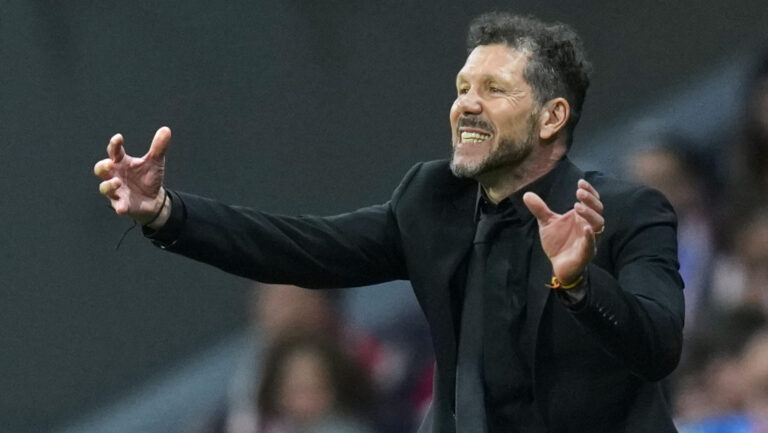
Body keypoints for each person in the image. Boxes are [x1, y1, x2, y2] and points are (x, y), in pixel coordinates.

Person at [94, 12, 684, 433]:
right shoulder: (432, 202)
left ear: (553, 116)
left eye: (493, 89)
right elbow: (300, 249)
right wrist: (167, 212)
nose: (466, 105)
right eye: (461, 88)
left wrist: (581, 283)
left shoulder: (626, 212)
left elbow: (658, 347)